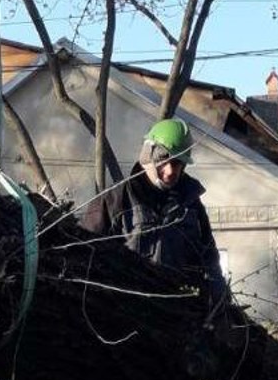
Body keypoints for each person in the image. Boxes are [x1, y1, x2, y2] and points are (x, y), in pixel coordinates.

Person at [81, 117, 227, 303]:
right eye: (163, 160)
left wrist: (219, 298)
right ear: (147, 154)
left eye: (177, 163)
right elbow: (85, 255)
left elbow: (209, 259)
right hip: (126, 311)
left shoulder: (191, 204)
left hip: (181, 313)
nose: (170, 171)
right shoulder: (114, 200)